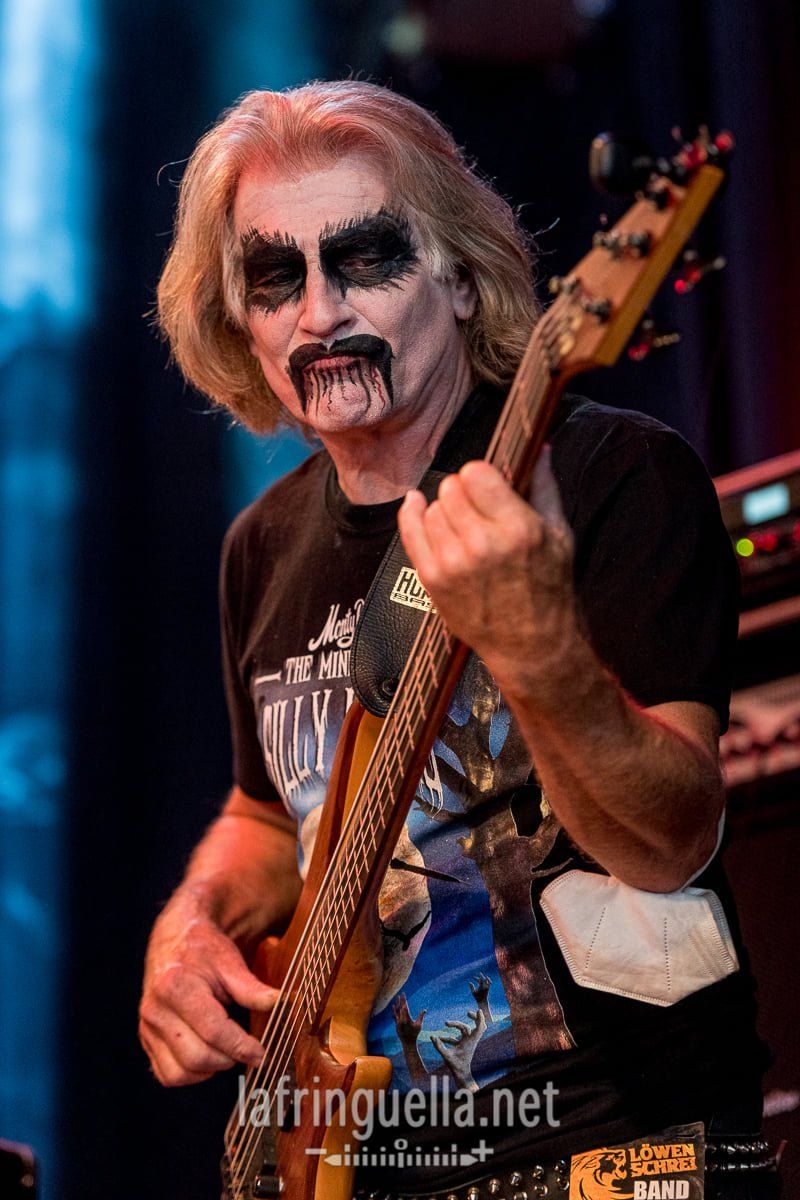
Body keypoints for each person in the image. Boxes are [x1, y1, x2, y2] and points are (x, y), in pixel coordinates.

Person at [139, 80, 777, 1198]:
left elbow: (671, 843)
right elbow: (268, 812)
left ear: (463, 275)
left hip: (610, 1145)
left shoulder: (610, 477)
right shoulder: (261, 546)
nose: (319, 312)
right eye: (276, 278)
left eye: (365, 258)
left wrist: (536, 651)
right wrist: (191, 924)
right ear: (236, 317)